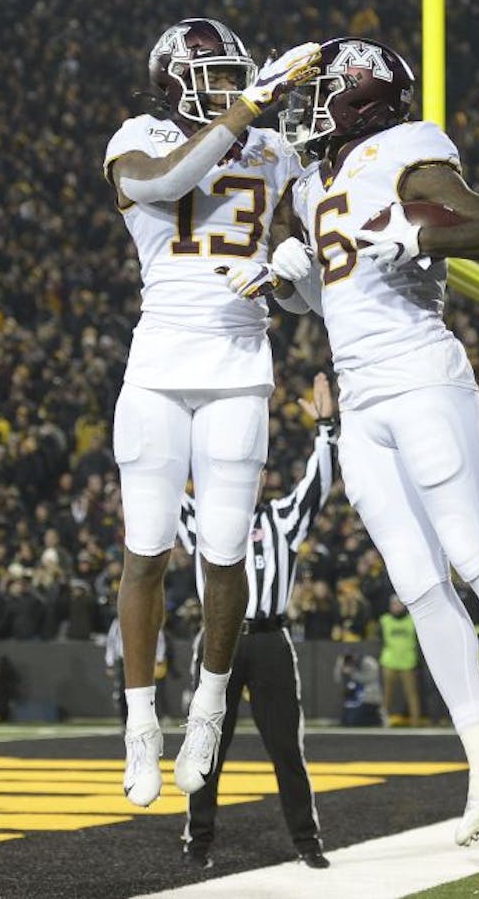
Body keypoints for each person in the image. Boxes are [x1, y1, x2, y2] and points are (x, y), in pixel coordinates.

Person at [241, 36, 479, 844]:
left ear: (360, 96)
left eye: (322, 90)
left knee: (472, 551)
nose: (306, 104)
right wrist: (292, 280)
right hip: (362, 396)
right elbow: (336, 296)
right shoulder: (316, 181)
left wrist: (425, 236)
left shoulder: (409, 149)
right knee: (420, 582)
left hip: (424, 374)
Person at [102, 19, 321, 806]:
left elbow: (313, 275)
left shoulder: (277, 150)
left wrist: (288, 263)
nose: (232, 86)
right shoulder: (141, 133)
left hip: (238, 363)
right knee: (147, 548)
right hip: (159, 364)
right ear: (173, 80)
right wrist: (252, 104)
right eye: (218, 75)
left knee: (225, 550)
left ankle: (207, 704)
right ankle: (138, 725)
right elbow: (160, 183)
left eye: (239, 76)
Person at [174, 371, 337, 870]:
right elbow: (158, 486)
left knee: (287, 747)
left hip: (268, 640)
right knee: (207, 748)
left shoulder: (281, 519)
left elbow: (320, 483)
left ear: (262, 476)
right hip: (218, 641)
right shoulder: (200, 518)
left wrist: (328, 428)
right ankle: (197, 841)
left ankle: (306, 842)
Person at [103, 617, 167, 728]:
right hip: (125, 660)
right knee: (123, 691)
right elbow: (111, 642)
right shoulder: (118, 622)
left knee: (146, 691)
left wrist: (159, 657)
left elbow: (159, 638)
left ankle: (146, 719)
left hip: (144, 660)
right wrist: (110, 662)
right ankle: (125, 721)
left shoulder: (148, 617)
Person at [378, 595, 421, 726]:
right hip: (389, 662)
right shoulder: (384, 620)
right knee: (386, 694)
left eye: (398, 604)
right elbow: (380, 640)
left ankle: (416, 722)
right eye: (393, 604)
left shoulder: (412, 620)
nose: (395, 607)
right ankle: (383, 721)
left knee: (412, 694)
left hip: (407, 662)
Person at [335, 649, 383, 727]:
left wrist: (352, 673)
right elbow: (337, 679)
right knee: (345, 721)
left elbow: (370, 678)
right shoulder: (346, 664)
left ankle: (377, 719)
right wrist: (340, 665)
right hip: (354, 700)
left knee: (354, 721)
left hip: (369, 699)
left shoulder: (368, 662)